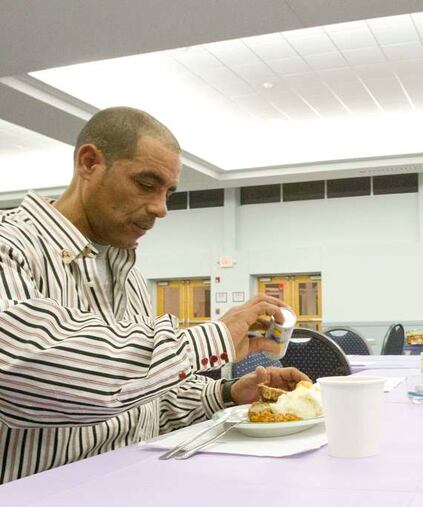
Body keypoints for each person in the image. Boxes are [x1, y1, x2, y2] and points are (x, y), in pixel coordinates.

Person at [0, 107, 309, 484]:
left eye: (168, 192)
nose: (161, 208)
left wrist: (226, 392)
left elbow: (143, 400)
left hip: (136, 485)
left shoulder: (128, 276)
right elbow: (32, 373)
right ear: (89, 162)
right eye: (146, 184)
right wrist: (212, 338)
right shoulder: (10, 248)